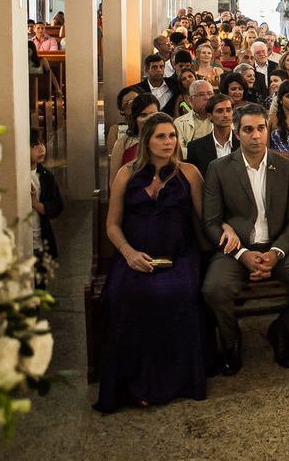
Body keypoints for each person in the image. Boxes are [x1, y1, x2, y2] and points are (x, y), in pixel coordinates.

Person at [201, 104, 289, 375]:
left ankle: (283, 329)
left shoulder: (286, 167)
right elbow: (211, 222)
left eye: (261, 128)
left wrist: (276, 252)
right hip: (236, 250)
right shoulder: (219, 169)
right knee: (213, 289)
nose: (256, 135)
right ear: (237, 133)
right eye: (248, 130)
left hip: (276, 246)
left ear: (267, 129)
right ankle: (231, 341)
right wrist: (241, 255)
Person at [95, 114, 210, 412]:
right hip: (134, 255)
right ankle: (133, 383)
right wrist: (129, 253)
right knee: (125, 296)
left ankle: (173, 381)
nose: (168, 142)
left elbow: (205, 220)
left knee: (178, 295)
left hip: (180, 255)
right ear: (146, 140)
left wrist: (224, 235)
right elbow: (112, 225)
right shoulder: (126, 173)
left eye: (172, 136)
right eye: (160, 136)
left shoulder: (189, 173)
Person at [29, 129, 64, 278]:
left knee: (40, 282)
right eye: (34, 145)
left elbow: (57, 205)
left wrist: (37, 205)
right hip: (23, 240)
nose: (41, 148)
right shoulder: (17, 175)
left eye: (42, 143)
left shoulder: (44, 176)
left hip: (40, 239)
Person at [109, 95, 160, 184]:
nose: (148, 119)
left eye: (153, 115)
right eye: (143, 115)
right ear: (135, 118)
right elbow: (113, 183)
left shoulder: (169, 141)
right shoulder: (122, 144)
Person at [186, 94, 238, 180]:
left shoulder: (244, 144)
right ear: (210, 116)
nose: (225, 115)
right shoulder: (196, 148)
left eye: (228, 110)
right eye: (220, 111)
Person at [174, 80, 214, 152]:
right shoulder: (179, 123)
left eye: (210, 94)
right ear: (191, 100)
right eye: (201, 94)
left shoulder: (223, 119)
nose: (207, 97)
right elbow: (179, 150)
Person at [107, 87, 139, 158]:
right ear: (122, 108)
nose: (133, 106)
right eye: (128, 103)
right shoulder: (116, 130)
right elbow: (112, 158)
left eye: (135, 101)